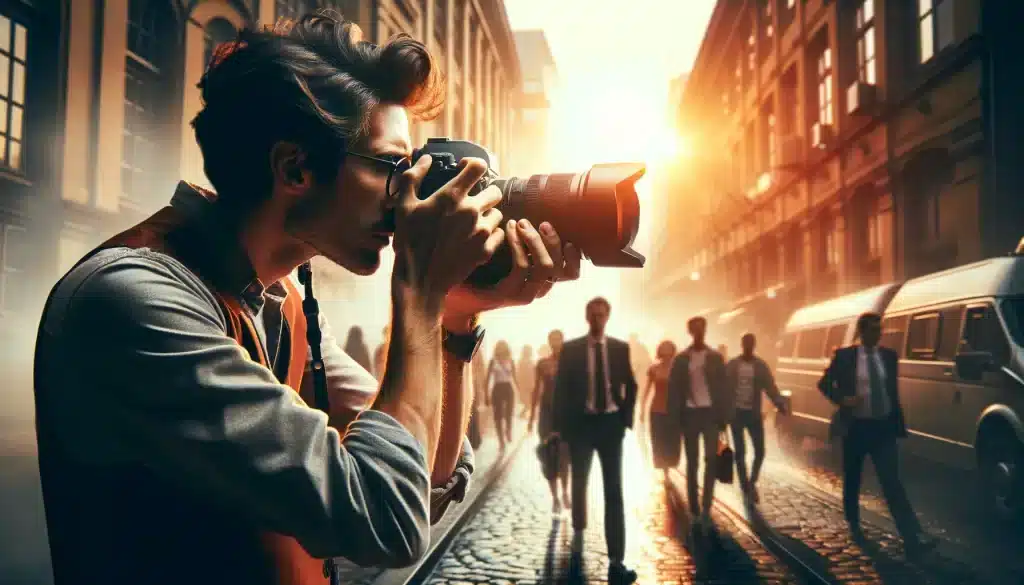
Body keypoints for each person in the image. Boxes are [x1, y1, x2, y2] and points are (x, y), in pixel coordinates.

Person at [32, 13, 581, 585]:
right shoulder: (132, 301)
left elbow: (419, 473)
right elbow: (382, 519)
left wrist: (454, 318)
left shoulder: (277, 300)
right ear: (295, 167)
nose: (408, 195)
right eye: (394, 167)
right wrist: (420, 291)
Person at [818, 313, 938, 558]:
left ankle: (912, 537)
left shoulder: (888, 357)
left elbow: (890, 392)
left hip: (882, 428)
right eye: (872, 330)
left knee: (892, 482)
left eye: (879, 329)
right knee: (853, 479)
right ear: (862, 332)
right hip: (856, 427)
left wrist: (896, 424)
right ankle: (854, 525)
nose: (877, 334)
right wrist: (843, 400)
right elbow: (824, 383)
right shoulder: (846, 356)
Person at [553, 297, 638, 584]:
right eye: (593, 316)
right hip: (582, 426)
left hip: (611, 426)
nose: (598, 320)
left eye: (602, 315)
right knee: (580, 482)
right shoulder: (572, 350)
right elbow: (560, 391)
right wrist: (560, 430)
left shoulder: (619, 348)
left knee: (614, 490)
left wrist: (625, 418)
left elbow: (632, 383)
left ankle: (617, 560)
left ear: (608, 317)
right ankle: (577, 542)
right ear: (587, 317)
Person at [668, 316, 729, 531]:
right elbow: (673, 391)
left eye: (701, 328)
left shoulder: (715, 357)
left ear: (705, 330)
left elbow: (723, 388)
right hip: (690, 415)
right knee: (692, 463)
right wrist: (675, 419)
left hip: (710, 415)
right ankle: (694, 509)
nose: (698, 333)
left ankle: (706, 508)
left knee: (711, 461)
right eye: (694, 329)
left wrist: (723, 418)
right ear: (690, 332)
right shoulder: (681, 359)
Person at [726, 333, 788, 504]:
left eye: (751, 344)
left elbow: (770, 387)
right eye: (746, 343)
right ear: (742, 344)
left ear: (753, 345)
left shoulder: (760, 366)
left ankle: (752, 481)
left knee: (760, 451)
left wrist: (779, 403)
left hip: (753, 414)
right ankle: (745, 485)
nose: (748, 346)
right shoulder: (732, 365)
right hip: (736, 414)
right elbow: (723, 389)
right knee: (740, 452)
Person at [528, 330, 571, 513]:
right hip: (546, 415)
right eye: (552, 339)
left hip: (565, 415)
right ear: (549, 341)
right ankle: (554, 498)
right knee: (548, 457)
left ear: (563, 341)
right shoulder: (542, 364)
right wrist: (531, 417)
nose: (555, 342)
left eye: (558, 339)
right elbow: (536, 391)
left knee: (564, 455)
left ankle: (565, 492)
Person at [643, 340, 680, 477]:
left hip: (674, 409)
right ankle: (665, 471)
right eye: (664, 351)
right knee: (659, 440)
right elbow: (647, 389)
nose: (666, 354)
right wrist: (642, 408)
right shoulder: (654, 369)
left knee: (673, 440)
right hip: (657, 409)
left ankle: (671, 464)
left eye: (669, 350)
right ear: (660, 352)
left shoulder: (678, 369)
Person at [485, 340, 518, 450]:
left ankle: (508, 430)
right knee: (497, 416)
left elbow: (514, 377)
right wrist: (486, 395)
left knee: (509, 413)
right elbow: (487, 379)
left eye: (503, 347)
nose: (501, 349)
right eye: (499, 347)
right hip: (497, 388)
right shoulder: (492, 361)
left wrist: (518, 390)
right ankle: (501, 441)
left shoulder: (511, 361)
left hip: (508, 388)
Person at [517, 344, 536, 415]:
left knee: (530, 403)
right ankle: (523, 414)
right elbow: (519, 374)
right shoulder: (522, 361)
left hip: (531, 385)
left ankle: (524, 414)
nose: (530, 352)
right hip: (524, 385)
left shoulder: (531, 361)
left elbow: (534, 373)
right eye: (529, 351)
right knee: (528, 403)